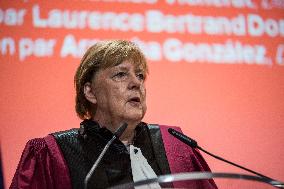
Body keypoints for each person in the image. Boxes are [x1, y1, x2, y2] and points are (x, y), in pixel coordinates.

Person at [10, 40, 217, 189]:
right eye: (120, 74)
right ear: (90, 92)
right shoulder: (53, 155)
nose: (137, 83)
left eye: (140, 75)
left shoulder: (176, 146)